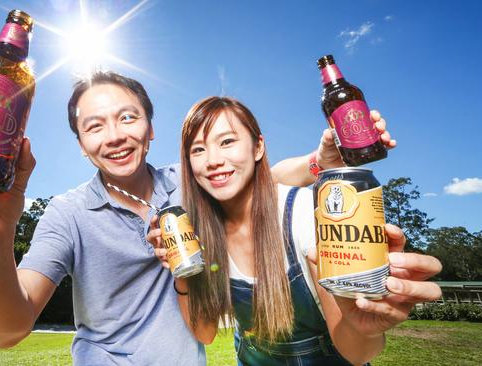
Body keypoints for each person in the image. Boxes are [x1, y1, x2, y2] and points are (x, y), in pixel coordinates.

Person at [0, 71, 394, 365]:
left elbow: (257, 174)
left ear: (151, 129)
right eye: (94, 126)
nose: (113, 135)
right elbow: (8, 329)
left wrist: (319, 162)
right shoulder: (68, 213)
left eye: (127, 117)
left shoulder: (189, 184)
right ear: (81, 144)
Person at [148, 96, 442, 365]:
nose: (212, 160)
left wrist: (364, 327)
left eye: (226, 142)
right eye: (198, 149)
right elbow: (205, 333)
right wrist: (182, 271)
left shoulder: (302, 213)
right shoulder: (201, 234)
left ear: (258, 147)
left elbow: (358, 352)